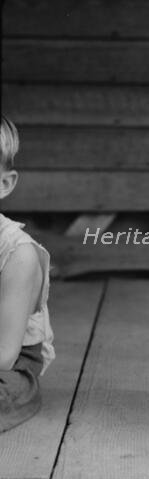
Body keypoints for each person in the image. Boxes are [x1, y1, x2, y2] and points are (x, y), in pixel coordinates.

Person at [0, 115, 55, 433]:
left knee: (8, 389)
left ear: (4, 184)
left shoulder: (16, 253)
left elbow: (5, 354)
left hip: (9, 362)